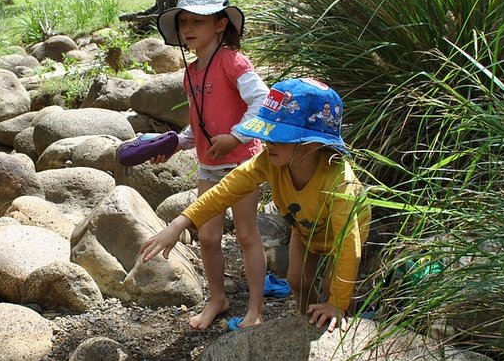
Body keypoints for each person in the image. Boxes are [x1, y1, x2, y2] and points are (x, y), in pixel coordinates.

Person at [139, 78, 371, 332]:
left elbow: (349, 245)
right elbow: (227, 190)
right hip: (305, 229)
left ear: (313, 143)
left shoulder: (339, 182)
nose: (267, 141)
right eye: (266, 132)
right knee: (296, 280)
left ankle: (338, 317)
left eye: (279, 136)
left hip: (341, 236)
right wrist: (180, 222)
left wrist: (337, 302)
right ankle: (309, 324)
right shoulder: (269, 160)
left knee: (332, 289)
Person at [152, 0, 270, 331]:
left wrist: (237, 135)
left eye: (198, 22)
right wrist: (174, 144)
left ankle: (256, 307)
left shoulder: (234, 62)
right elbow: (198, 124)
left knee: (247, 234)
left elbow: (264, 102)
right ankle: (217, 299)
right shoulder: (191, 73)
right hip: (209, 164)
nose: (188, 29)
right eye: (184, 22)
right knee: (207, 237)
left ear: (220, 25)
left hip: (242, 163)